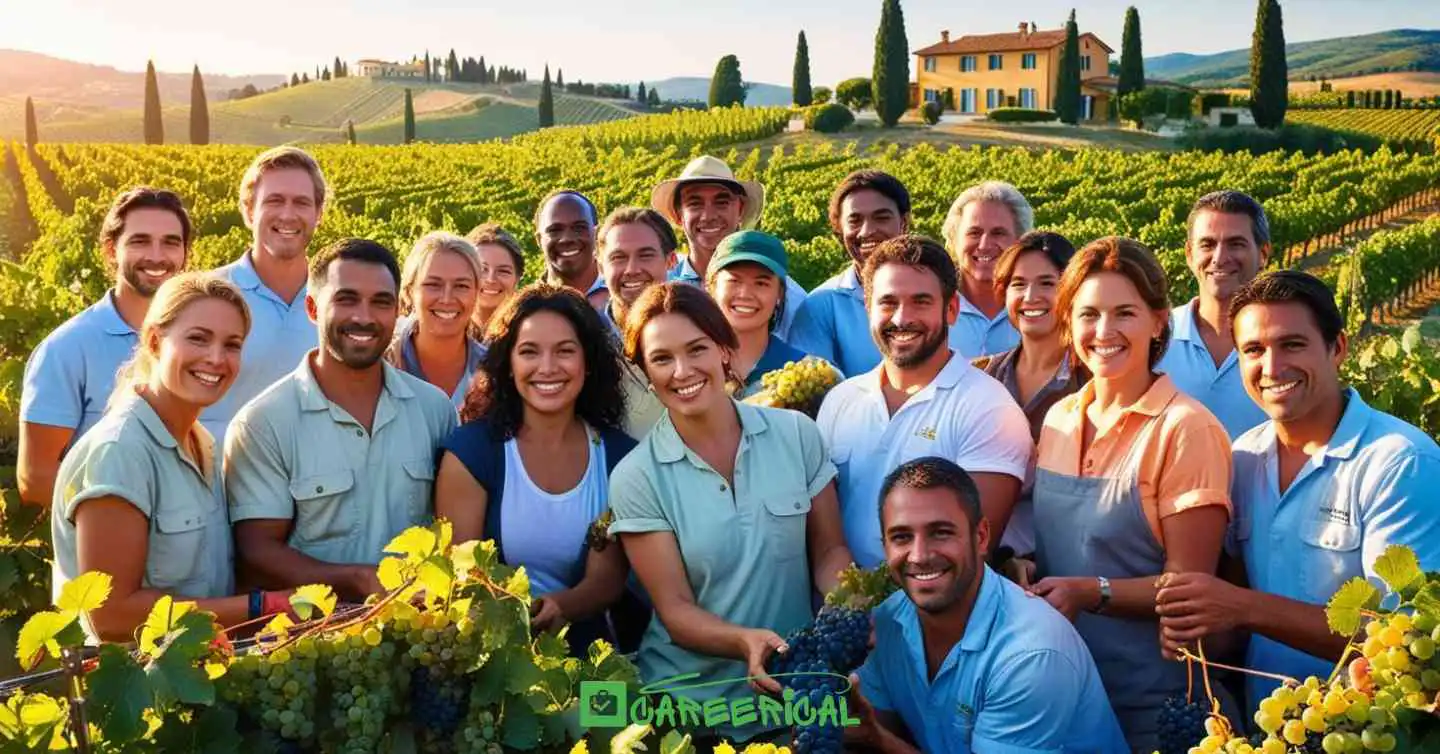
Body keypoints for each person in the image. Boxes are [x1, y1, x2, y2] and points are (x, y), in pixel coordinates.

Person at [1157, 271, 1440, 707]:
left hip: (1364, 729)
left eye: (1292, 344)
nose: (1271, 368)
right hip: (1268, 722)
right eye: (1253, 350)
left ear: (1338, 348)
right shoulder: (1243, 458)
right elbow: (1233, 599)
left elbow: (1404, 639)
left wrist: (1241, 607)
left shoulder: (1400, 462)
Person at [608, 283, 852, 744]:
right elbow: (676, 609)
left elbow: (829, 550)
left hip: (791, 694)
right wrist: (745, 641)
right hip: (688, 710)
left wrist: (847, 607)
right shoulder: (636, 477)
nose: (682, 371)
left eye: (697, 348)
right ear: (643, 371)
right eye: (661, 359)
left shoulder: (797, 435)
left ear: (724, 349)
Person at [1030, 236, 1234, 752]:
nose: (1104, 331)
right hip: (1066, 690)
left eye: (1125, 312)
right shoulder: (1059, 419)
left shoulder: (1185, 429)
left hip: (1157, 704)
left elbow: (1190, 590)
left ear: (1159, 320)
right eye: (1087, 314)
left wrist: (1088, 591)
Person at [50, 273, 294, 641]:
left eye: (232, 344)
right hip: (146, 690)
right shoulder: (119, 452)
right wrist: (262, 607)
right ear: (154, 341)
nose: (216, 358)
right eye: (198, 338)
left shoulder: (203, 442)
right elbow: (113, 615)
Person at [225, 239, 457, 602]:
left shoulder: (434, 410)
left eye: (381, 302)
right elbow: (257, 553)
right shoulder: (263, 423)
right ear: (313, 309)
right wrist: (356, 580)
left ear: (398, 310)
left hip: (424, 634)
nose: (364, 317)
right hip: (315, 641)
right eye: (346, 299)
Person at [849, 457, 1128, 754]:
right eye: (902, 537)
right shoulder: (890, 620)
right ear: (885, 547)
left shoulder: (1030, 655)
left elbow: (875, 734)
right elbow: (864, 720)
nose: (918, 555)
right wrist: (801, 700)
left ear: (981, 537)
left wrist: (877, 740)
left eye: (940, 532)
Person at [436, 284, 642, 654]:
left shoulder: (619, 457)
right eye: (529, 352)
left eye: (565, 351)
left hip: (590, 656)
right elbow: (461, 577)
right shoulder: (472, 453)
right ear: (509, 364)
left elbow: (607, 579)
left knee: (610, 714)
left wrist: (563, 606)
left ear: (588, 362)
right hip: (489, 656)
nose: (547, 368)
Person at [816, 235, 1031, 569]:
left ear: (952, 309)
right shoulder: (840, 400)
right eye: (888, 302)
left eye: (921, 302)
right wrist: (850, 608)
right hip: (844, 611)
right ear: (868, 309)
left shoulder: (988, 409)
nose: (902, 319)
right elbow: (825, 540)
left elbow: (971, 555)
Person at [19, 187, 192, 506]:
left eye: (171, 242)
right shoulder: (67, 348)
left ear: (185, 254)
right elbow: (36, 476)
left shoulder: (204, 342)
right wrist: (117, 520)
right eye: (140, 241)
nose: (157, 256)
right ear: (112, 250)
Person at [971, 231, 1086, 564]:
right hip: (991, 561)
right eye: (1018, 284)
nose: (1031, 296)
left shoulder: (1092, 382)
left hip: (1071, 562)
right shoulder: (980, 376)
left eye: (1048, 283)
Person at [205, 146, 328, 448]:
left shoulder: (338, 302)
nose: (288, 214)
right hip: (218, 488)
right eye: (274, 201)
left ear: (319, 214)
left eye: (301, 203)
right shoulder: (204, 298)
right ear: (248, 211)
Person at [651, 155, 807, 338]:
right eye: (695, 204)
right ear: (678, 215)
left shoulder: (786, 295)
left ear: (740, 209)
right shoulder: (662, 288)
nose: (708, 216)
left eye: (721, 202)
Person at [1157, 190, 1272, 439]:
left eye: (1236, 244)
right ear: (1189, 254)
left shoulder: (1283, 343)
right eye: (1207, 244)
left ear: (1263, 254)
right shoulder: (1156, 336)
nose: (1220, 258)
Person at [788, 170, 912, 377]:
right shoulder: (820, 306)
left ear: (904, 222)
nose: (867, 231)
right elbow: (812, 391)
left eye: (881, 218)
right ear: (839, 230)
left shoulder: (941, 293)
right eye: (855, 221)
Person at [704, 230, 818, 398]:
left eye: (761, 283)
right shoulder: (692, 366)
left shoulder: (806, 373)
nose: (745, 294)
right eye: (734, 281)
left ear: (779, 293)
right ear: (712, 287)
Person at [595, 206, 675, 438]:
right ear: (601, 267)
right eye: (618, 258)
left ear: (670, 260)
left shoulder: (699, 330)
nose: (632, 269)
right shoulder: (587, 341)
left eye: (645, 255)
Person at [386, 231, 487, 412]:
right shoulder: (379, 367)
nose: (447, 299)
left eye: (461, 286)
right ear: (409, 291)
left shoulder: (495, 372)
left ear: (478, 293)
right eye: (433, 285)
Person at [939, 181, 1032, 359]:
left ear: (1019, 242)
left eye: (998, 233)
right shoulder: (933, 310)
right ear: (954, 241)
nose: (984, 245)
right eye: (974, 233)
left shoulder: (1038, 310)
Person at [535, 190, 608, 311]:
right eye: (555, 230)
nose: (567, 239)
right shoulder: (526, 309)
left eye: (579, 228)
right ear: (539, 240)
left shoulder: (625, 295)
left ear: (597, 234)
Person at [465, 222, 524, 334]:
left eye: (503, 271)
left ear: (517, 278)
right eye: (482, 269)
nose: (490, 279)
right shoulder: (445, 331)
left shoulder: (527, 332)